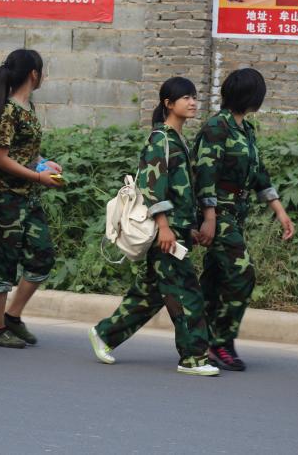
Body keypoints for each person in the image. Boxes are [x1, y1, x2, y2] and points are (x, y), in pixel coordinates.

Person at [89, 78, 220, 376]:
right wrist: (164, 226)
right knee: (187, 293)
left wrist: (188, 228)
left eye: (194, 96)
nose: (192, 102)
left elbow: (180, 190)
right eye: (185, 97)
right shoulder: (160, 139)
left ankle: (104, 334)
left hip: (176, 229)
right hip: (166, 232)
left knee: (149, 294)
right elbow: (152, 188)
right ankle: (193, 358)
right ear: (168, 104)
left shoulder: (178, 139)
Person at [193, 67, 294, 370]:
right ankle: (220, 343)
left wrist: (280, 212)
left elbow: (259, 174)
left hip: (236, 213)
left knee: (215, 279)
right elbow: (205, 174)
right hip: (219, 213)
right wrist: (209, 218)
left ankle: (198, 339)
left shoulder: (246, 130)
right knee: (242, 274)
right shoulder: (217, 127)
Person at [0, 48, 62, 349]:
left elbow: (25, 151)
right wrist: (38, 177)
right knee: (2, 262)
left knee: (43, 256)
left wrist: (44, 163)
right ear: (34, 74)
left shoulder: (28, 107)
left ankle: (12, 316)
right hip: (2, 197)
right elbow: (0, 158)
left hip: (27, 196)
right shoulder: (8, 110)